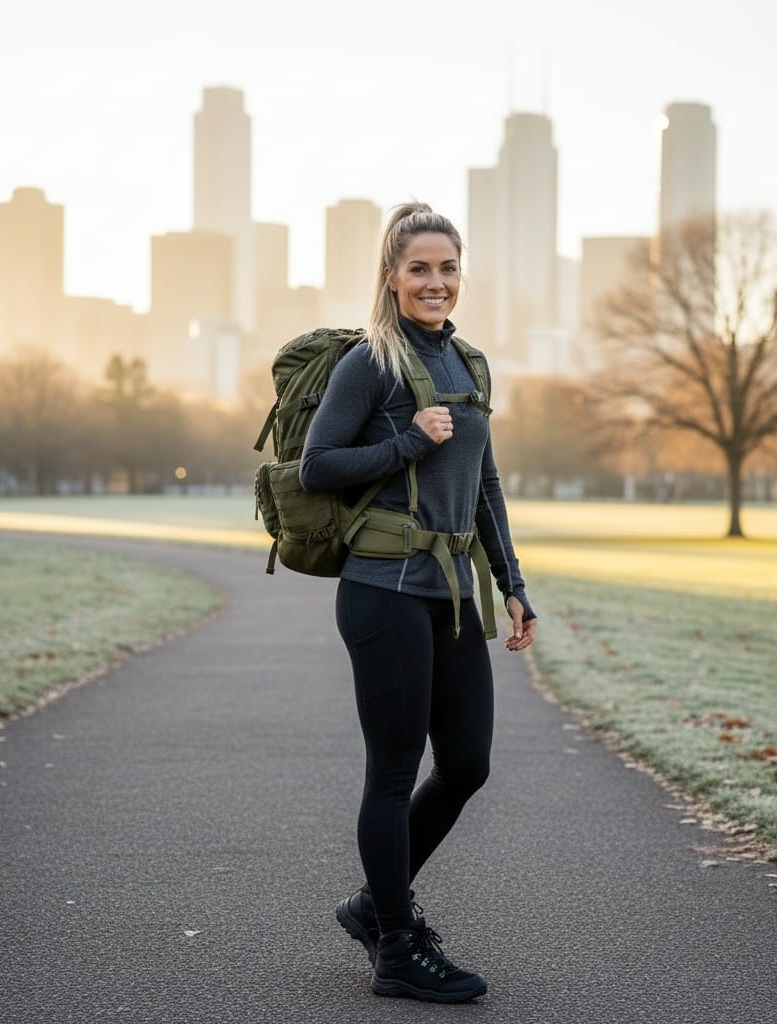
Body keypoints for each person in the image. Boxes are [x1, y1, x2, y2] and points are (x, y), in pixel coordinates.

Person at [299, 202, 537, 1003]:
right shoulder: (371, 362)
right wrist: (408, 440)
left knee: (467, 763)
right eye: (420, 268)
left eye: (448, 267)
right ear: (392, 276)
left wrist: (512, 584)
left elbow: (485, 484)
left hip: (452, 593)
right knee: (396, 772)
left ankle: (376, 905)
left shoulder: (470, 362)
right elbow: (318, 466)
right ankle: (397, 950)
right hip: (384, 590)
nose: (436, 282)